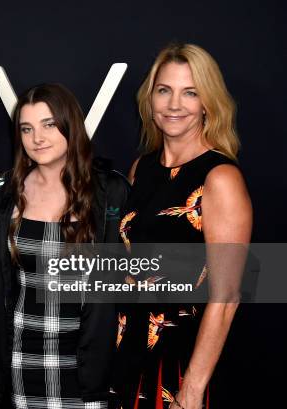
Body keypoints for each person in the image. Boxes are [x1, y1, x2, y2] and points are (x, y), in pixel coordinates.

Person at [0, 83, 130, 409]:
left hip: (86, 367)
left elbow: (140, 270)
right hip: (19, 362)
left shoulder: (110, 191)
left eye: (48, 125)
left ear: (69, 124)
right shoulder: (5, 193)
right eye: (26, 129)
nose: (37, 138)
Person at [114, 43, 252, 409]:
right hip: (122, 356)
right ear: (151, 98)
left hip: (176, 369)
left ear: (208, 102)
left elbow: (226, 296)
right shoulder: (140, 169)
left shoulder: (219, 178)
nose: (174, 105)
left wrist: (190, 391)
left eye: (190, 92)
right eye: (165, 90)